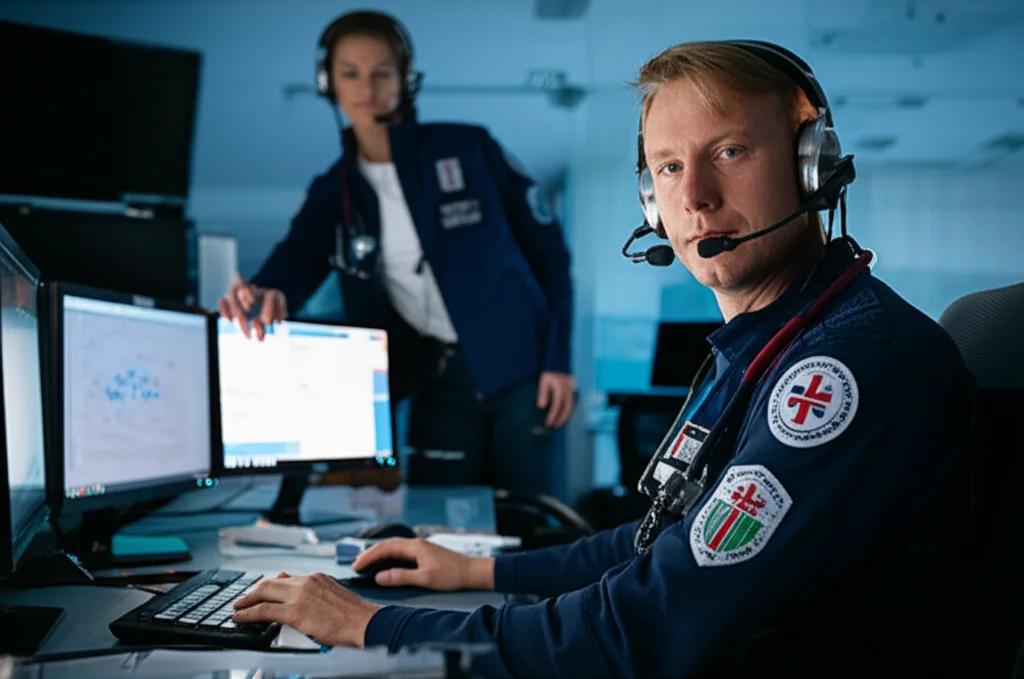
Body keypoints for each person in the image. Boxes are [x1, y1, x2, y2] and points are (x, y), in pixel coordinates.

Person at [231, 39, 977, 677]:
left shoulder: (843, 368)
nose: (698, 197)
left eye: (730, 150)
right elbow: (668, 538)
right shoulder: (765, 346)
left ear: (814, 166)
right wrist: (479, 571)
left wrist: (373, 626)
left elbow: (638, 626)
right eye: (669, 167)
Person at [217, 10, 576, 496]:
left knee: (530, 517)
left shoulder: (469, 148)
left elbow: (551, 255)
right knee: (440, 521)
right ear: (328, 84)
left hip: (520, 369)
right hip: (435, 376)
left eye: (381, 71)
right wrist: (260, 294)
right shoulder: (334, 191)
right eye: (350, 73)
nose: (366, 85)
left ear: (406, 79)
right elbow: (294, 260)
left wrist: (557, 359)